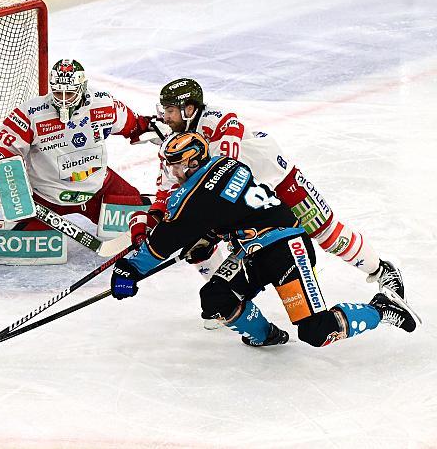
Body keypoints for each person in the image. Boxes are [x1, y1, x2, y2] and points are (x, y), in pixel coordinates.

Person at [112, 132, 420, 347]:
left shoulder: (196, 194)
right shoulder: (225, 165)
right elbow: (230, 211)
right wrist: (209, 234)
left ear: (192, 162)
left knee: (316, 331)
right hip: (253, 250)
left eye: (174, 164)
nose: (171, 171)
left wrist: (128, 269)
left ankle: (382, 308)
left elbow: (162, 244)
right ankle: (266, 335)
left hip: (287, 248)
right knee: (216, 297)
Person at [128, 78, 404, 301]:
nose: (165, 116)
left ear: (189, 109)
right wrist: (156, 215)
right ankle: (230, 300)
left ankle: (381, 270)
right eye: (164, 110)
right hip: (248, 204)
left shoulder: (217, 120)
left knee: (326, 233)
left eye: (170, 110)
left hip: (279, 182)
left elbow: (227, 164)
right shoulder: (176, 139)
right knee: (200, 248)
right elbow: (168, 184)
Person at [0, 59, 153, 231]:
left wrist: (153, 128)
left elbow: (133, 124)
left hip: (96, 188)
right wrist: (12, 185)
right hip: (47, 196)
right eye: (58, 93)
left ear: (82, 87)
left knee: (139, 218)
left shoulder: (104, 105)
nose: (63, 100)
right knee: (24, 238)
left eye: (70, 93)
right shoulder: (32, 113)